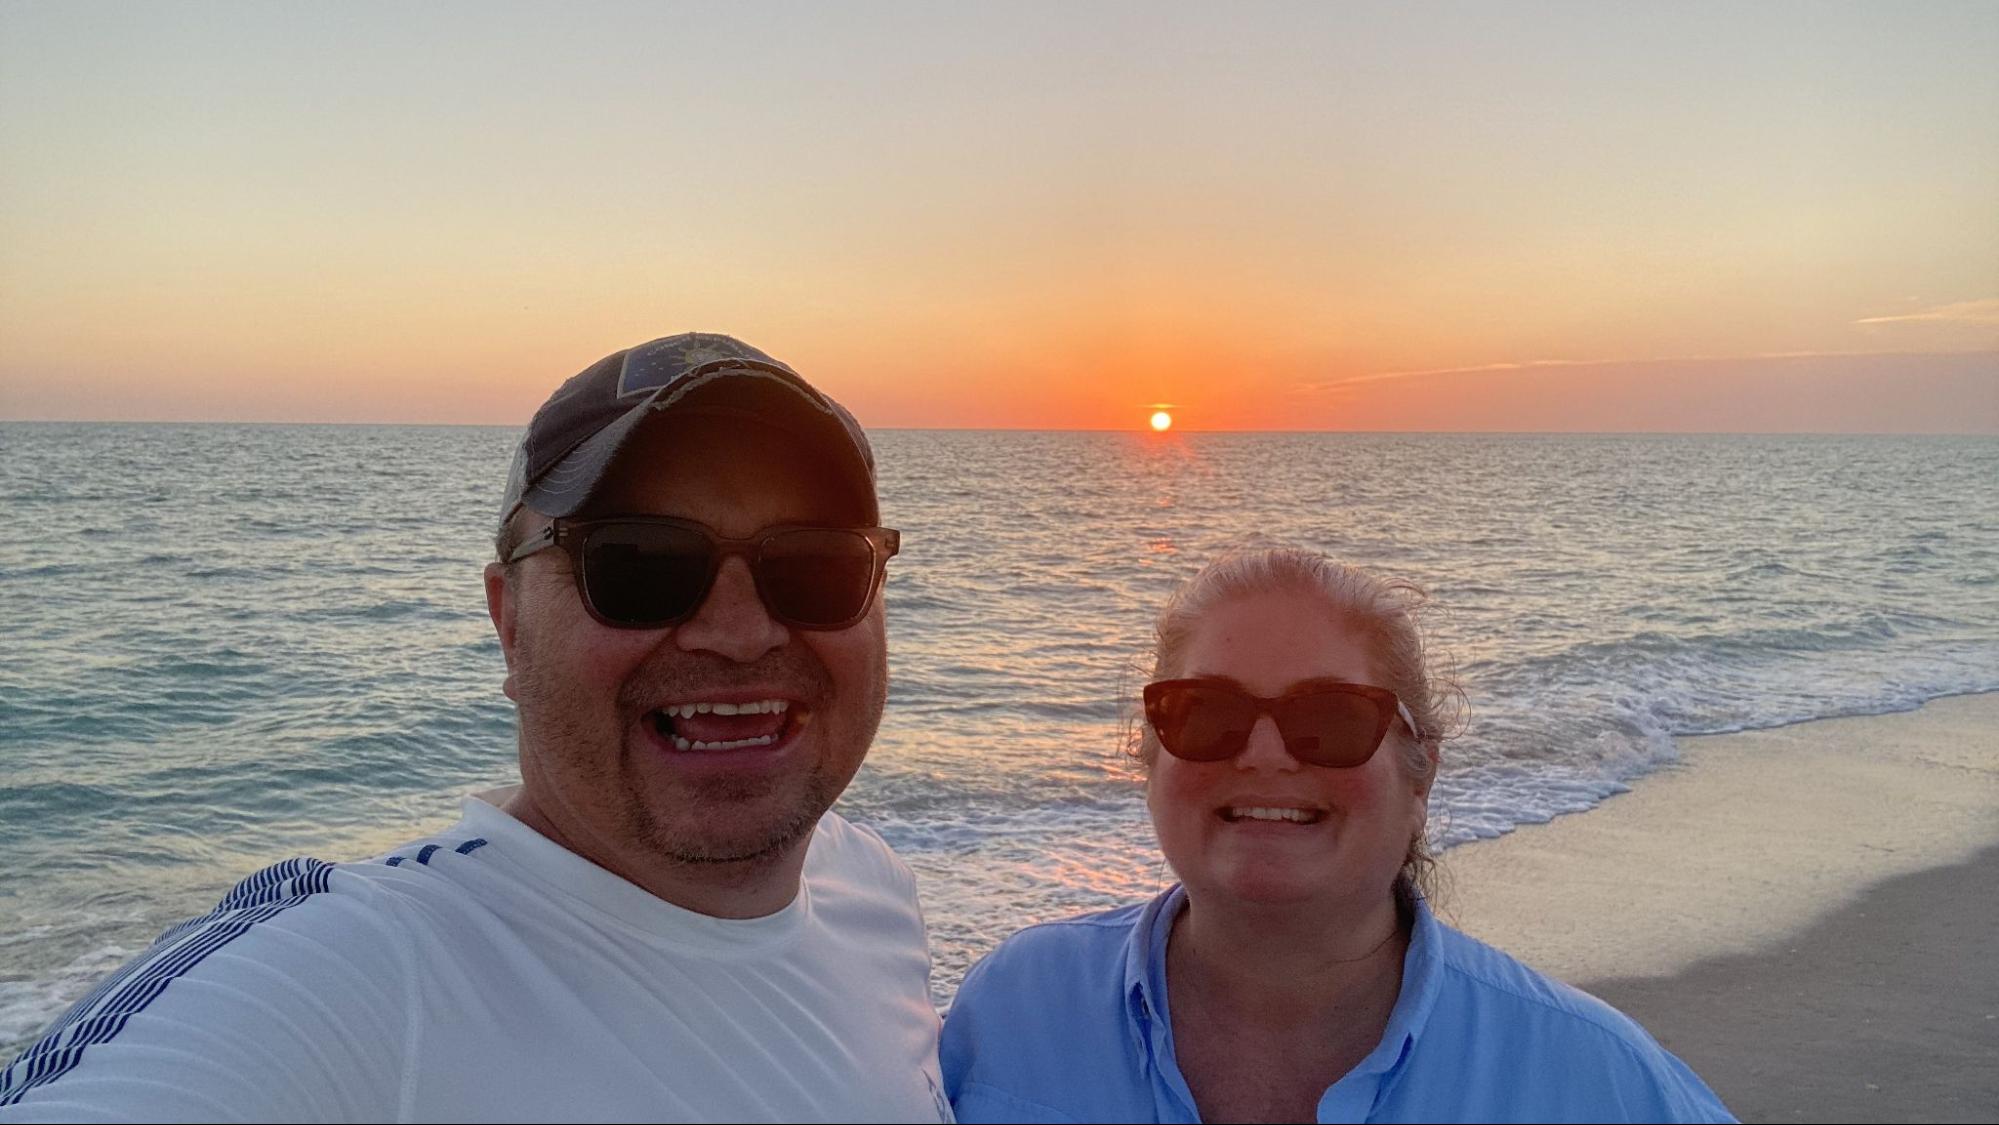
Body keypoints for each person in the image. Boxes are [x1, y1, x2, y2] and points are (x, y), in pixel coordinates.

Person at [0, 333, 950, 1122]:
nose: (740, 633)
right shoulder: (363, 979)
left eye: (815, 564)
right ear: (509, 620)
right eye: (639, 564)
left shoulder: (873, 891)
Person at [940, 547, 1733, 1123]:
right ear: (1148, 753)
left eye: (1329, 718)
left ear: (1417, 772)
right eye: (1204, 712)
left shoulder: (1588, 1075)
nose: (1262, 753)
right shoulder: (1013, 1009)